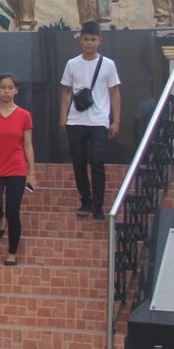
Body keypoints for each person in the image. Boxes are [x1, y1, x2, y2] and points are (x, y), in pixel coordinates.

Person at [59, 21, 121, 221]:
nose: (89, 43)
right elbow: (67, 91)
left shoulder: (108, 64)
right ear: (80, 40)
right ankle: (85, 199)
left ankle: (98, 205)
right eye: (86, 39)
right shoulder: (72, 63)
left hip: (99, 121)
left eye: (93, 39)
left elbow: (114, 93)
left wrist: (116, 121)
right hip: (76, 120)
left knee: (97, 161)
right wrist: (63, 116)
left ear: (99, 41)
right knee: (78, 161)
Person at [0, 72, 36, 267]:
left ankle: (12, 252)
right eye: (3, 87)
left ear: (16, 90)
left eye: (10, 87)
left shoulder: (24, 115)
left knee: (14, 212)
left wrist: (32, 173)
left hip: (17, 168)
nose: (7, 91)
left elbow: (28, 145)